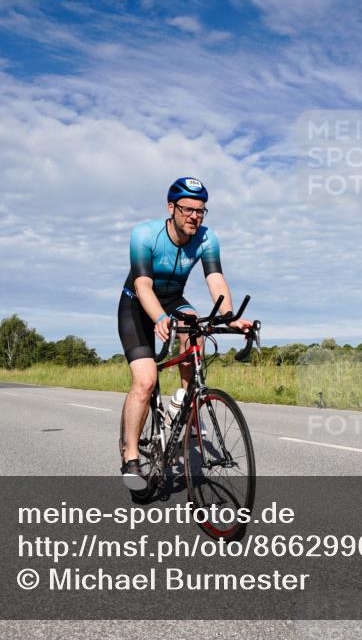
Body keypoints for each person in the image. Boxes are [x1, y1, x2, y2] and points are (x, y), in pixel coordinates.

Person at [117, 177, 252, 490]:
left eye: (201, 211)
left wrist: (229, 317)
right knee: (146, 381)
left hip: (174, 300)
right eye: (188, 210)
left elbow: (216, 279)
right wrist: (160, 318)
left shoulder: (207, 238)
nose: (194, 216)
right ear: (171, 208)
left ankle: (184, 403)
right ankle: (132, 455)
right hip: (137, 304)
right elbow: (143, 285)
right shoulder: (145, 234)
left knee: (195, 328)